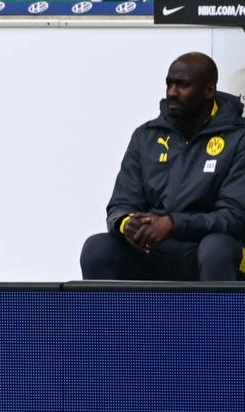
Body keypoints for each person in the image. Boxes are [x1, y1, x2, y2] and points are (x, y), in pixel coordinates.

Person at [81, 52, 245, 280]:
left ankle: (217, 307)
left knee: (216, 249)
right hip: (155, 249)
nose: (172, 92)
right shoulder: (145, 136)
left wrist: (174, 224)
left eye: (182, 85)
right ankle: (108, 307)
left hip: (210, 248)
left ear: (209, 90)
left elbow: (233, 217)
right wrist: (127, 223)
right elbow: (121, 204)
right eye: (169, 84)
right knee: (98, 248)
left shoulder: (239, 137)